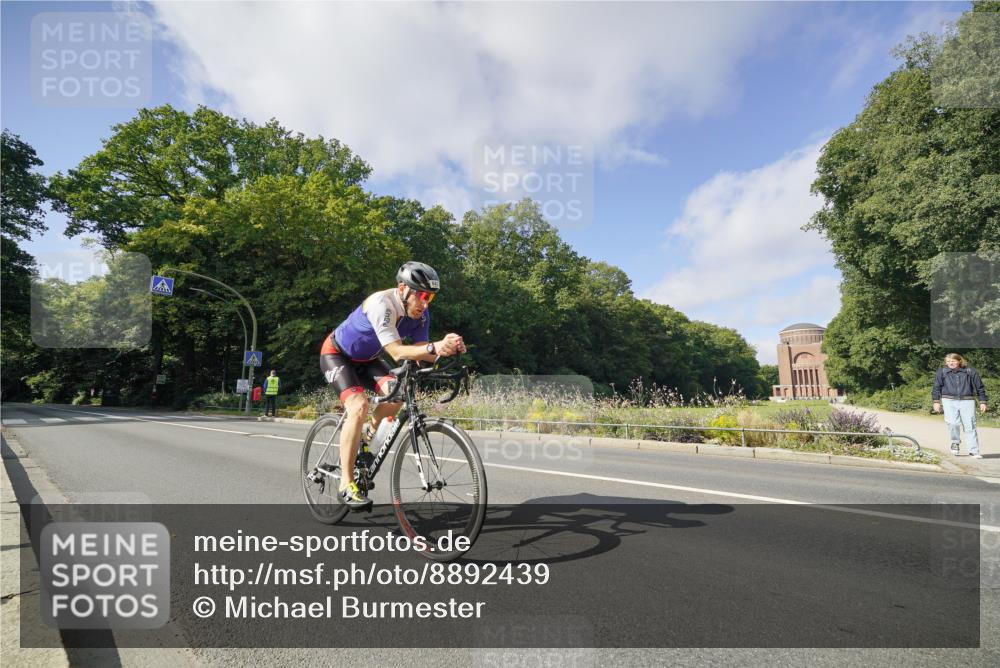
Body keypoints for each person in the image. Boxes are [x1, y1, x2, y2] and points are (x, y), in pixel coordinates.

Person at [319, 261, 466, 510]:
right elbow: (397, 352)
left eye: (430, 297)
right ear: (402, 289)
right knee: (358, 406)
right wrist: (433, 347)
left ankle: (365, 438)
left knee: (397, 396)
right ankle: (346, 484)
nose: (425, 303)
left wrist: (449, 350)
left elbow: (421, 353)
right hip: (337, 354)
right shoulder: (382, 304)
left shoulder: (422, 315)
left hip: (368, 360)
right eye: (421, 295)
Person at [931, 353, 989, 459]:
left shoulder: (969, 371)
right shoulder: (942, 372)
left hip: (967, 400)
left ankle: (974, 451)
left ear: (959, 361)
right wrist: (936, 402)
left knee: (970, 425)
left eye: (953, 361)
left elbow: (980, 387)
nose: (950, 363)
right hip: (948, 400)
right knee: (953, 423)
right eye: (948, 361)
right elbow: (936, 387)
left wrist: (983, 402)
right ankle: (955, 442)